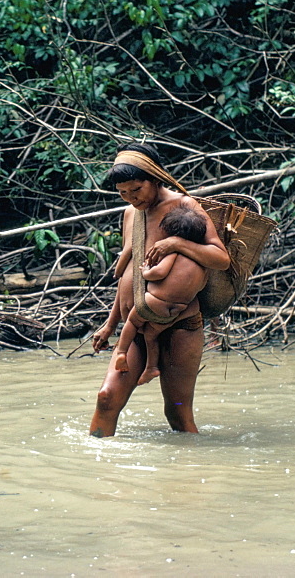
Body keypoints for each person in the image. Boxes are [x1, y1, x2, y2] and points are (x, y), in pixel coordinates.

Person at [90, 142, 229, 437]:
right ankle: (96, 473)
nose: (131, 198)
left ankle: (189, 478)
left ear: (155, 178)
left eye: (136, 189)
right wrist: (109, 323)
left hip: (181, 325)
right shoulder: (131, 214)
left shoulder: (185, 206)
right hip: (136, 324)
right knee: (106, 399)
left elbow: (221, 259)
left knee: (177, 411)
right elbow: (130, 272)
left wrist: (176, 243)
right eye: (123, 192)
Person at [111, 205, 210, 385]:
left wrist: (146, 272)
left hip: (154, 303)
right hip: (175, 311)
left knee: (133, 323)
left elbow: (160, 273)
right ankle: (151, 367)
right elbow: (201, 286)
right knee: (151, 335)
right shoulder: (202, 263)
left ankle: (121, 352)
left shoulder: (173, 252)